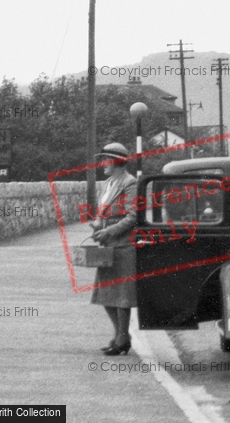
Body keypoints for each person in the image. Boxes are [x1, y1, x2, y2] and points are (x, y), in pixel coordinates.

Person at [90, 142, 137, 356]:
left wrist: (110, 231)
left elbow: (133, 216)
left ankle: (121, 338)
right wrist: (99, 226)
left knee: (122, 296)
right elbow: (104, 213)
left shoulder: (130, 183)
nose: (102, 164)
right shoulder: (108, 183)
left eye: (105, 160)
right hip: (108, 245)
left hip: (124, 244)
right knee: (105, 294)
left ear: (117, 161)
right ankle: (122, 336)